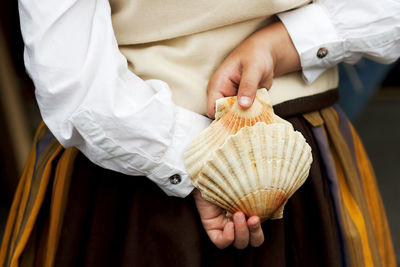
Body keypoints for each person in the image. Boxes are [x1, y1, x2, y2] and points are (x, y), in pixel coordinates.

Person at [1, 0, 399, 266]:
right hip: (288, 161)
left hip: (128, 160)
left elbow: (69, 72)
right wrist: (288, 42)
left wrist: (198, 160)